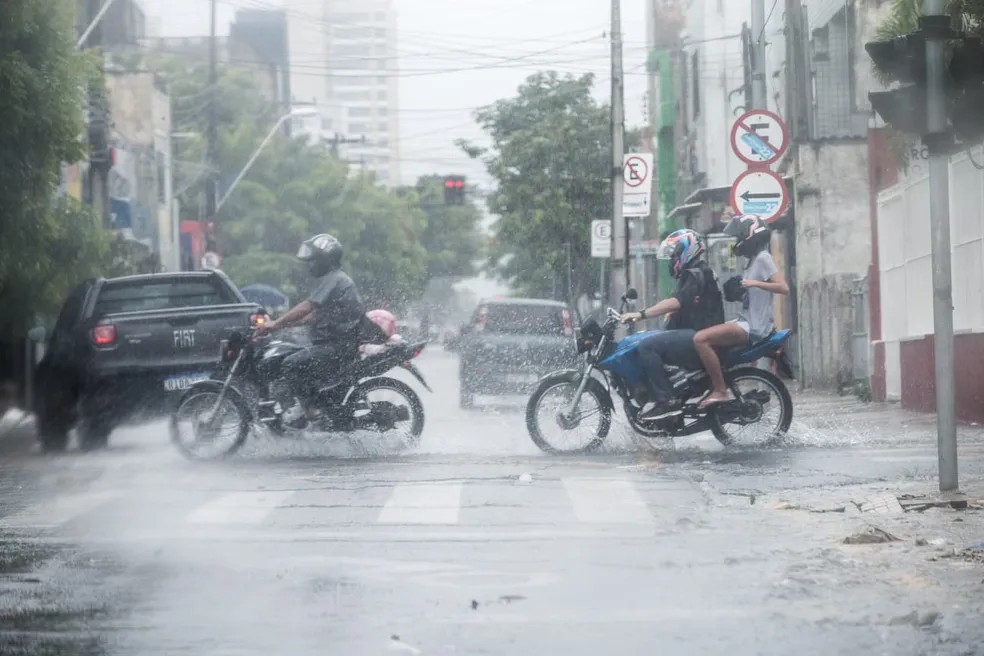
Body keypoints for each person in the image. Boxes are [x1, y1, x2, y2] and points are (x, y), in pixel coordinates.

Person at [257, 233, 367, 425]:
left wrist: (275, 324)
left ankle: (309, 409)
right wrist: (279, 325)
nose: (310, 265)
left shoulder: (335, 279)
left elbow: (307, 306)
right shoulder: (334, 279)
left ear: (325, 260)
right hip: (335, 344)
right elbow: (313, 316)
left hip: (336, 347)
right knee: (295, 356)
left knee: (291, 364)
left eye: (313, 260)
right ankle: (314, 406)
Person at [620, 229, 724, 419]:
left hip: (700, 335)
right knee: (651, 338)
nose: (671, 261)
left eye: (674, 256)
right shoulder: (695, 272)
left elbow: (677, 301)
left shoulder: (697, 273)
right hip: (697, 333)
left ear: (688, 251)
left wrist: (641, 314)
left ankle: (667, 400)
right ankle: (674, 387)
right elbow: (680, 301)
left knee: (646, 347)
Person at [693, 214, 790, 409]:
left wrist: (753, 283)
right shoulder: (751, 262)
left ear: (750, 235)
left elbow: (783, 288)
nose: (737, 241)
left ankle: (720, 390)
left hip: (754, 327)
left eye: (739, 236)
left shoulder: (763, 258)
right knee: (703, 333)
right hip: (745, 321)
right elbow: (754, 296)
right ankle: (712, 385)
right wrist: (740, 292)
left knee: (700, 339)